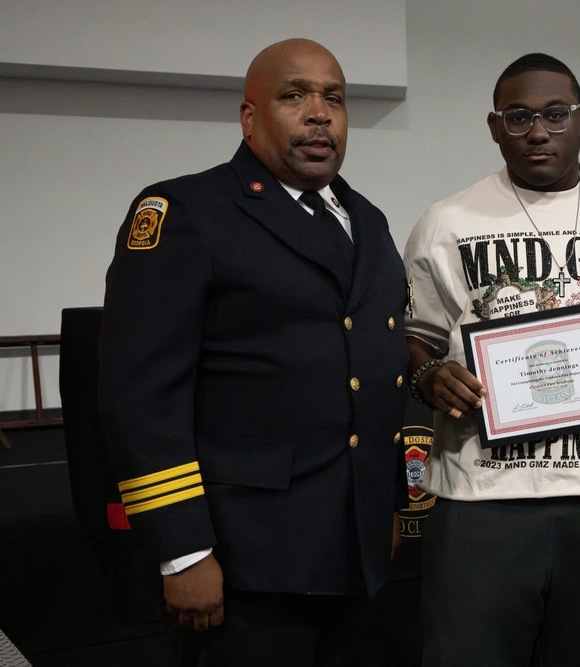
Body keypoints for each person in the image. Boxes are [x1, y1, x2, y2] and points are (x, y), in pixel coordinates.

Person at [98, 38, 409, 666]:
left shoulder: (366, 220)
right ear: (249, 117)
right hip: (247, 562)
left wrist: (390, 507)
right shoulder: (188, 212)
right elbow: (141, 398)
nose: (319, 113)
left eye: (334, 99)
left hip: (357, 553)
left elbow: (372, 370)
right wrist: (182, 549)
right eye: (294, 96)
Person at [404, 53, 580, 666]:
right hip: (481, 495)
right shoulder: (445, 222)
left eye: (555, 115)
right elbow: (415, 336)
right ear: (494, 126)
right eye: (518, 116)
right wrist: (429, 376)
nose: (537, 131)